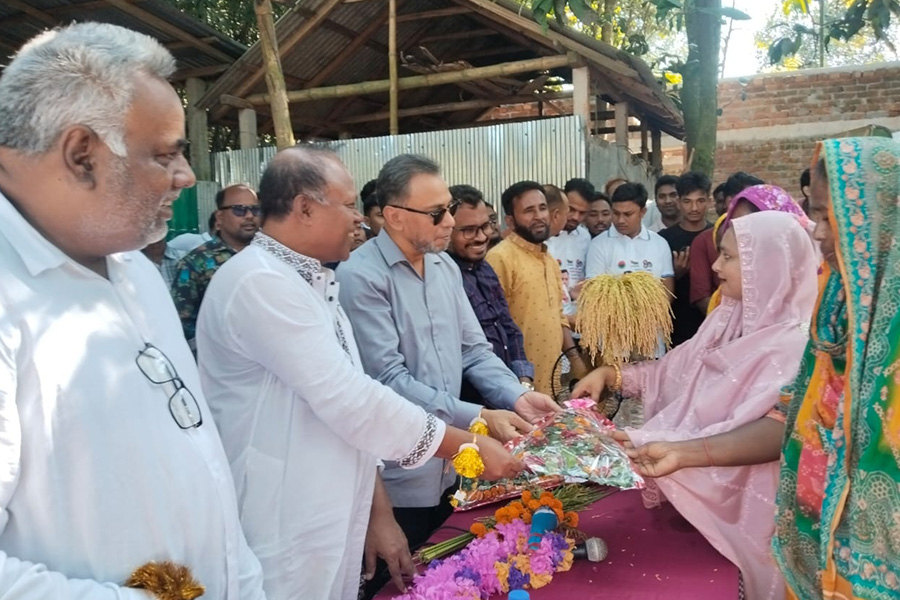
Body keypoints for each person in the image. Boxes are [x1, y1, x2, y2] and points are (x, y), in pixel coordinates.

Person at [0, 22, 266, 598]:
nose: (186, 177)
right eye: (165, 154)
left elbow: (199, 455)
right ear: (81, 155)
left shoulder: (135, 269)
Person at [197, 148, 523, 600]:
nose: (358, 218)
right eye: (349, 204)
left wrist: (377, 512)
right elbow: (354, 401)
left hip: (329, 507)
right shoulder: (260, 282)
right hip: (283, 516)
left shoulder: (313, 282)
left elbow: (353, 410)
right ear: (305, 208)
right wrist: (467, 441)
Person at [574, 211, 819, 600]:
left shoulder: (796, 346)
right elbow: (673, 371)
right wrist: (611, 375)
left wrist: (664, 444)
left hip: (749, 502)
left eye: (730, 258)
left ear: (767, 267)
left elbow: (773, 432)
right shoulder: (725, 317)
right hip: (693, 488)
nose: (717, 266)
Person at [336, 155, 560, 575]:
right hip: (400, 476)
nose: (451, 223)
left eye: (450, 209)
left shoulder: (443, 267)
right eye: (438, 213)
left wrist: (519, 395)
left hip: (455, 468)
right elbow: (387, 381)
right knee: (401, 580)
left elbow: (474, 350)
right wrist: (480, 416)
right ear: (394, 217)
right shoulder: (360, 276)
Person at [772, 137, 900, 600]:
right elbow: (798, 411)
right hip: (816, 550)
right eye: (816, 214)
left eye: (830, 217)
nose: (817, 232)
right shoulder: (836, 308)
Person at [486, 181, 588, 397]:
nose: (539, 216)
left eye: (542, 208)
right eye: (529, 211)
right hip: (516, 389)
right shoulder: (500, 258)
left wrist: (574, 360)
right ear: (510, 221)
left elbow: (558, 317)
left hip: (551, 384)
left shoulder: (548, 260)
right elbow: (491, 329)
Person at [447, 184, 535, 397]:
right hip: (469, 403)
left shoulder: (486, 269)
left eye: (486, 226)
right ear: (445, 228)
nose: (481, 237)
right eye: (468, 230)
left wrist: (523, 382)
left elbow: (507, 325)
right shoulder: (443, 277)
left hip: (508, 392)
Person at [171, 183, 260, 349]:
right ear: (220, 217)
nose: (249, 216)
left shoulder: (272, 255)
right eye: (239, 210)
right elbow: (183, 320)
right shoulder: (196, 262)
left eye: (255, 210)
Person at [689, 172, 764, 314]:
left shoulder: (769, 240)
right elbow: (701, 295)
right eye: (753, 202)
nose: (716, 266)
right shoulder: (708, 239)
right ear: (731, 202)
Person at [585, 182, 675, 295]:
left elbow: (667, 292)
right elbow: (594, 290)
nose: (620, 220)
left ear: (643, 212)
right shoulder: (598, 244)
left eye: (628, 214)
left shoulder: (660, 244)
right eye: (616, 213)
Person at [659, 171, 712, 346]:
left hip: (711, 323)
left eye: (700, 201)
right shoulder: (663, 239)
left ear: (709, 201)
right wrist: (675, 273)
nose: (694, 208)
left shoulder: (719, 234)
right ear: (679, 202)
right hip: (676, 326)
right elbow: (654, 287)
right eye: (688, 201)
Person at [545, 177, 593, 286]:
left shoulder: (585, 237)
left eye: (582, 213)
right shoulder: (542, 235)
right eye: (572, 209)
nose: (576, 217)